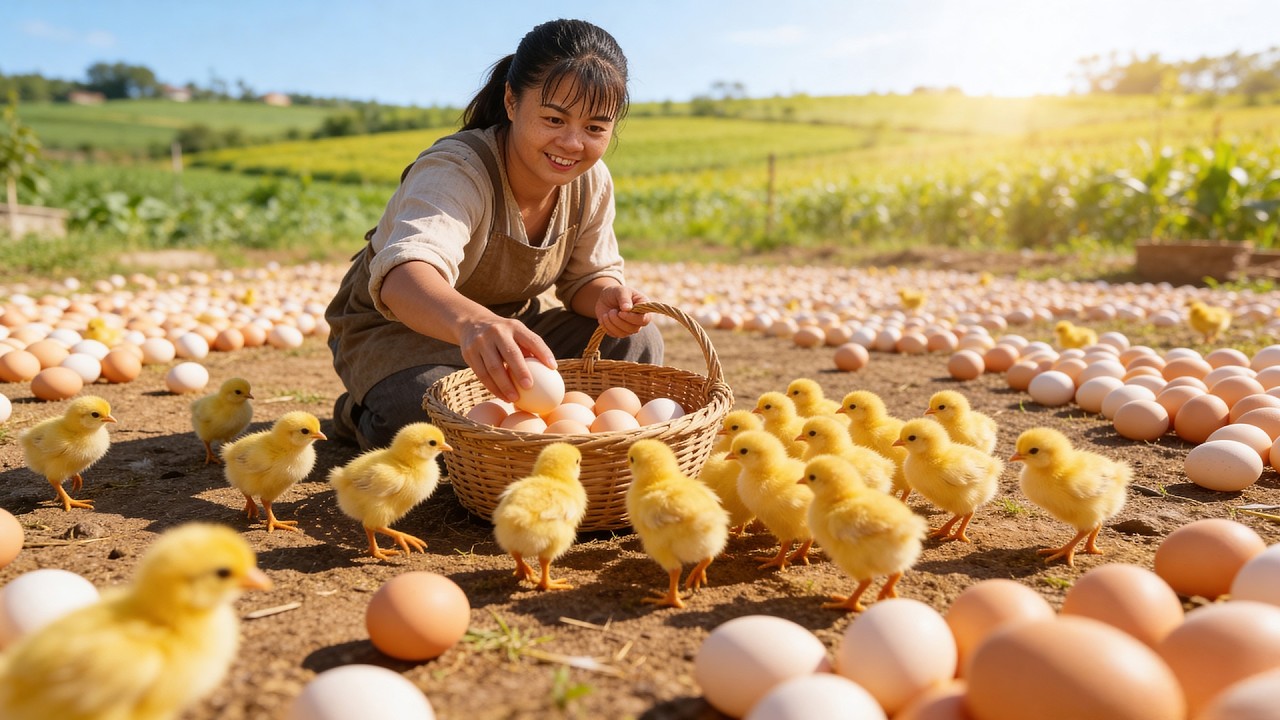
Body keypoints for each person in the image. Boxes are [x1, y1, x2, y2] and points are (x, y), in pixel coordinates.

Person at [326, 18, 663, 449]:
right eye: (554, 119)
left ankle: (548, 431)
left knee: (635, 342)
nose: (572, 143)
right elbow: (404, 276)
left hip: (512, 332)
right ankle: (360, 411)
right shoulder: (457, 170)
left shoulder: (590, 181)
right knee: (429, 418)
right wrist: (475, 324)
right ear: (511, 101)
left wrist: (607, 297)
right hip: (405, 333)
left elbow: (585, 279)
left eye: (595, 128)